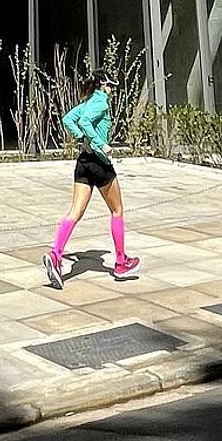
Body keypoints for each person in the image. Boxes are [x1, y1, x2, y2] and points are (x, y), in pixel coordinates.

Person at [43, 75, 138, 287]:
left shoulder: (88, 102)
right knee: (117, 211)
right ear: (103, 85)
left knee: (74, 212)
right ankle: (121, 263)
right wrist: (99, 144)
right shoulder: (101, 102)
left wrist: (81, 139)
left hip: (84, 162)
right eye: (111, 85)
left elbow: (68, 119)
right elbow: (85, 121)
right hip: (99, 163)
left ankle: (56, 255)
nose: (112, 90)